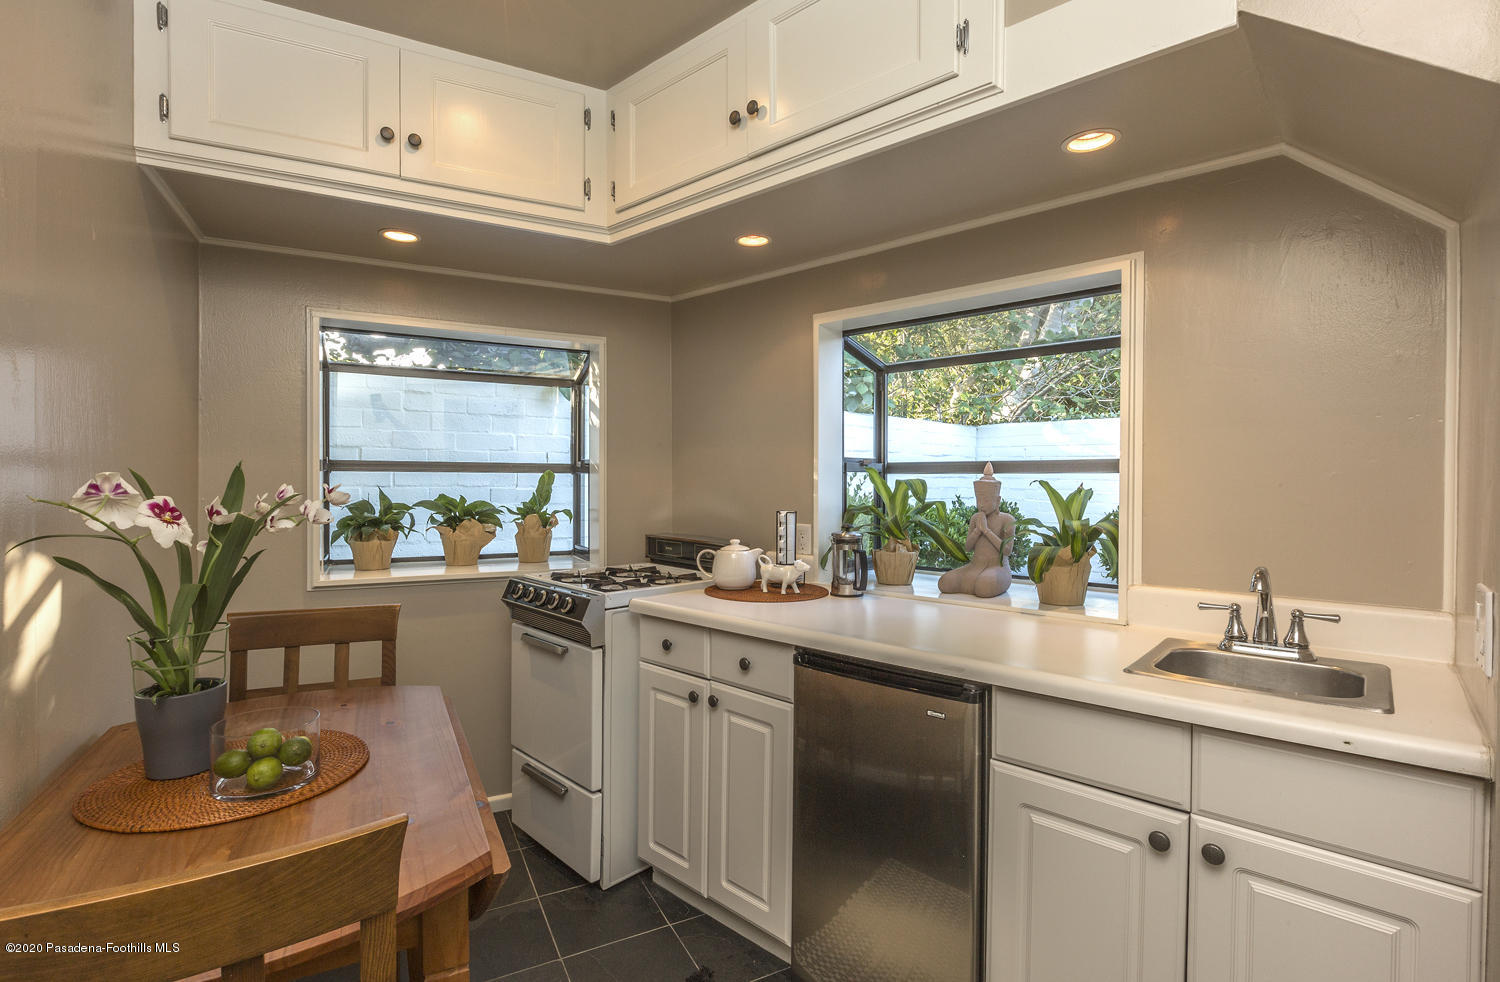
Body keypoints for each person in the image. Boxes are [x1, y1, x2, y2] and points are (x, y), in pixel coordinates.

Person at [938, 463, 1015, 598]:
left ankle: (980, 583)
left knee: (984, 586)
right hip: (974, 566)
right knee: (944, 582)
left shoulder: (1007, 519)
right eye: (979, 500)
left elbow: (1007, 550)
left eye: (986, 500)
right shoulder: (976, 518)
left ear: (997, 501)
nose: (981, 505)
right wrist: (977, 531)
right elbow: (968, 548)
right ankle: (974, 582)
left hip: (998, 568)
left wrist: (986, 531)